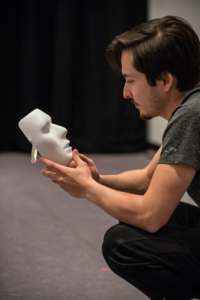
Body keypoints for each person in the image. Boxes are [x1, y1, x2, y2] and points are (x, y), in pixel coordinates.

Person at [40, 16, 200, 300]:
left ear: (165, 79)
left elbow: (150, 216)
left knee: (123, 244)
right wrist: (98, 179)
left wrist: (89, 189)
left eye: (130, 80)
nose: (126, 93)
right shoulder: (192, 108)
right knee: (164, 216)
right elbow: (147, 179)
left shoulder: (191, 115)